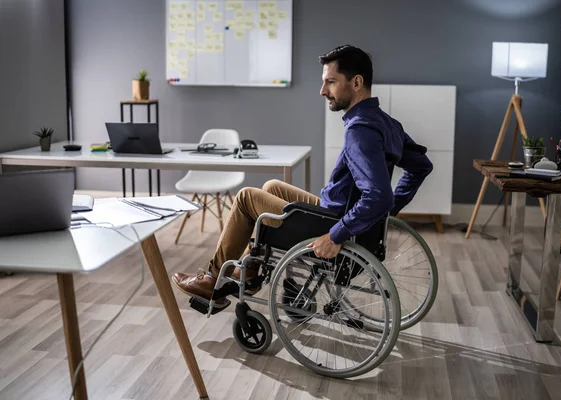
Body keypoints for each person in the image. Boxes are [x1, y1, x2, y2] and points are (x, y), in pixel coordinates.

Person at [172, 45, 433, 307]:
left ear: (356, 82)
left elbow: (378, 195)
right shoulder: (386, 122)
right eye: (324, 82)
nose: (323, 91)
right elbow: (421, 166)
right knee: (273, 186)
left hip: (331, 224)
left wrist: (336, 235)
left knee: (245, 198)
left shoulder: (359, 131)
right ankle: (250, 269)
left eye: (331, 82)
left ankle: (213, 281)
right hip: (337, 211)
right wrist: (386, 213)